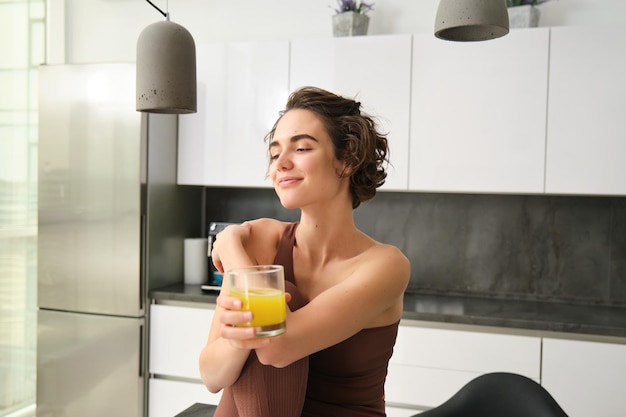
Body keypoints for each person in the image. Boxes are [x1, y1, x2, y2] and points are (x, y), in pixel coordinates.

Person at [198, 86, 411, 417]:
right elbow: (212, 376)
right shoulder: (262, 241)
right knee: (274, 300)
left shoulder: (385, 266)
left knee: (282, 297)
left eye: (301, 148)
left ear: (347, 159)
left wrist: (229, 245)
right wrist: (236, 342)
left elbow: (275, 349)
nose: (281, 163)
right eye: (274, 153)